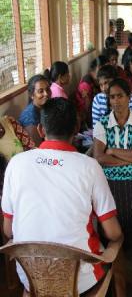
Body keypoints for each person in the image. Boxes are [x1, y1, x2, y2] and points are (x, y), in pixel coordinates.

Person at [2, 98, 123, 295]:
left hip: (31, 279)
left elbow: (8, 230)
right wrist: (120, 238)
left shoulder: (16, 164)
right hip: (81, 282)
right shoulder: (89, 167)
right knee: (115, 242)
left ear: (41, 130)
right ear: (76, 129)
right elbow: (113, 233)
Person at [93, 79, 132, 251]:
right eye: (112, 97)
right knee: (113, 218)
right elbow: (99, 157)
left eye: (120, 96)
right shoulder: (102, 123)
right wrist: (128, 158)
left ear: (129, 97)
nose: (116, 101)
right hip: (109, 182)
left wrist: (112, 150)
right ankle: (115, 254)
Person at [75, 56, 107, 128]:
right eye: (102, 69)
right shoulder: (86, 85)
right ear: (97, 68)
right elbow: (87, 108)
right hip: (86, 120)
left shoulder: (97, 80)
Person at [19, 74, 51, 146]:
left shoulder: (45, 107)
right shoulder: (30, 119)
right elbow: (36, 149)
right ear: (32, 95)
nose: (46, 94)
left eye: (48, 89)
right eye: (40, 91)